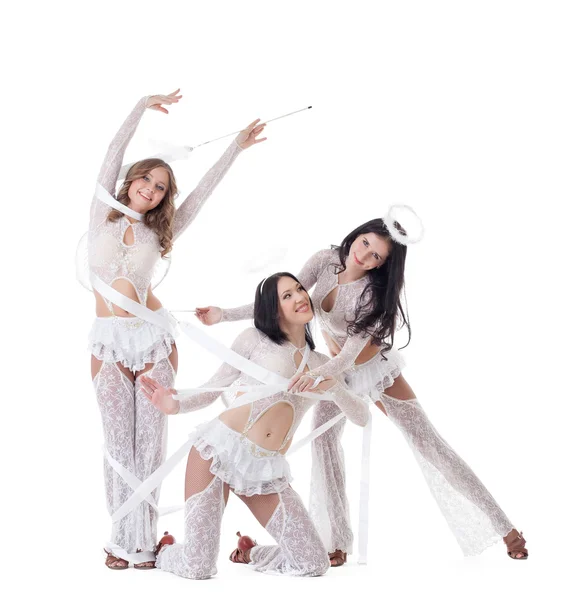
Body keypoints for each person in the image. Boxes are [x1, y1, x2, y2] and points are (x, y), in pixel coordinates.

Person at [196, 216, 528, 563]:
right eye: (366, 243)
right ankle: (337, 542)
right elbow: (282, 301)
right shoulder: (325, 260)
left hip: (368, 369)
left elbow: (350, 356)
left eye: (377, 257)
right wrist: (224, 315)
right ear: (358, 234)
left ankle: (505, 528)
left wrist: (318, 372)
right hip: (331, 370)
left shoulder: (373, 294)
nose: (366, 256)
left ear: (383, 265)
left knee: (429, 443)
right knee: (324, 443)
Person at [87, 89, 267, 569]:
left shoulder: (159, 231)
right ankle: (120, 537)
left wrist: (235, 148)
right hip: (107, 342)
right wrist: (140, 106)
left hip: (152, 344)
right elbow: (111, 152)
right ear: (129, 182)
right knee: (117, 445)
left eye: (161, 186)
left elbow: (203, 195)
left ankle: (142, 543)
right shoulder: (100, 212)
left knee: (149, 445)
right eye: (146, 179)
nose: (151, 188)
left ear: (165, 197)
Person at [140, 273, 369, 578]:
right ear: (273, 309)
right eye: (287, 295)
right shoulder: (253, 340)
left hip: (264, 470)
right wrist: (175, 405)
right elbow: (214, 388)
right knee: (198, 568)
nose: (300, 297)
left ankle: (250, 552)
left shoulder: (320, 364)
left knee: (314, 563)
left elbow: (361, 417)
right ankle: (168, 549)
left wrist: (336, 387)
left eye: (299, 289)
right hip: (217, 452)